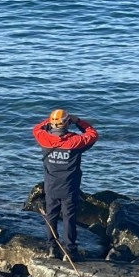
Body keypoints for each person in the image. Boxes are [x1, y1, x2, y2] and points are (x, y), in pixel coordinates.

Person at [32, 109, 98, 261]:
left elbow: (37, 129)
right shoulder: (74, 142)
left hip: (51, 186)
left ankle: (52, 248)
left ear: (51, 124)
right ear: (67, 123)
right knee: (69, 219)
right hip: (69, 187)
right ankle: (69, 251)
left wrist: (48, 122)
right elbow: (93, 134)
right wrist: (78, 121)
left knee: (51, 216)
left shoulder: (44, 139)